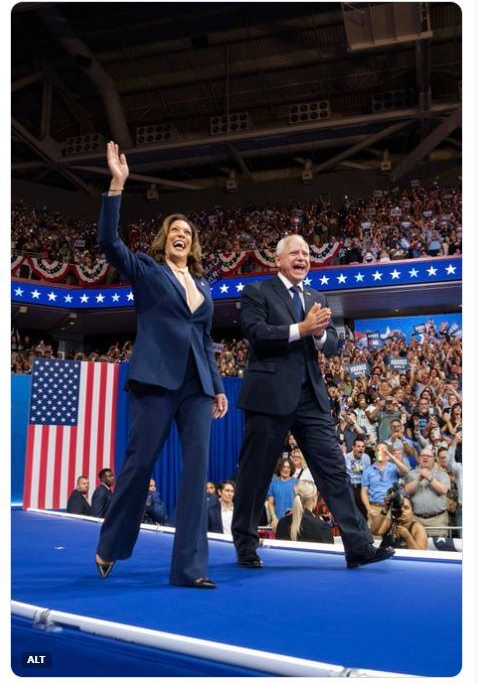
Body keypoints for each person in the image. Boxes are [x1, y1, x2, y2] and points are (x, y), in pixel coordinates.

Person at [95, 142, 227, 589]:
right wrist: (117, 185)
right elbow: (109, 243)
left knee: (196, 475)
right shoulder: (149, 272)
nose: (181, 236)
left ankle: (189, 569)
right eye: (175, 230)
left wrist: (219, 386)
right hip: (155, 382)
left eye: (188, 233)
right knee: (138, 464)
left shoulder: (205, 287)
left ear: (193, 245)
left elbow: (205, 338)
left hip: (198, 388)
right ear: (164, 239)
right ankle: (110, 545)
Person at [232, 233, 395, 570]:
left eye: (306, 253)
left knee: (334, 471)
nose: (302, 258)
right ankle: (246, 545)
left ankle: (359, 546)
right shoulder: (258, 292)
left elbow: (332, 344)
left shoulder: (317, 296)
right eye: (295, 252)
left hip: (311, 399)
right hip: (268, 398)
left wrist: (319, 332)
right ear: (278, 260)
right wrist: (301, 328)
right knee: (255, 473)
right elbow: (256, 333)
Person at [360, 444, 409, 534]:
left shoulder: (394, 468)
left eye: (383, 450)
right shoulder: (368, 470)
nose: (380, 452)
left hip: (392, 508)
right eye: (378, 450)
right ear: (375, 453)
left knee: (393, 537)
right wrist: (368, 508)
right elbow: (364, 491)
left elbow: (406, 471)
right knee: (375, 536)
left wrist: (390, 456)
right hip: (376, 508)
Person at [404, 447, 450, 537]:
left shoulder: (442, 474)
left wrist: (430, 478)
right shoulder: (411, 474)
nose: (425, 458)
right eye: (423, 456)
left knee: (438, 549)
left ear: (434, 459)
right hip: (416, 519)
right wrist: (418, 479)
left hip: (437, 520)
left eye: (428, 456)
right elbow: (406, 490)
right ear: (418, 458)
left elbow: (443, 490)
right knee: (417, 549)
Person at [266, 458, 298, 529]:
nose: (286, 469)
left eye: (288, 467)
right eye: (283, 467)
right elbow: (270, 503)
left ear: (291, 469)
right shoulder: (273, 483)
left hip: (293, 522)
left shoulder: (297, 483)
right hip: (277, 522)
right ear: (279, 468)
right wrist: (274, 518)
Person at [344, 437, 371, 518]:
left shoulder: (366, 458)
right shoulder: (346, 458)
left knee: (363, 513)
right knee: (351, 513)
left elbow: (368, 474)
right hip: (350, 487)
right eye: (358, 446)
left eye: (363, 447)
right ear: (353, 448)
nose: (361, 448)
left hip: (362, 487)